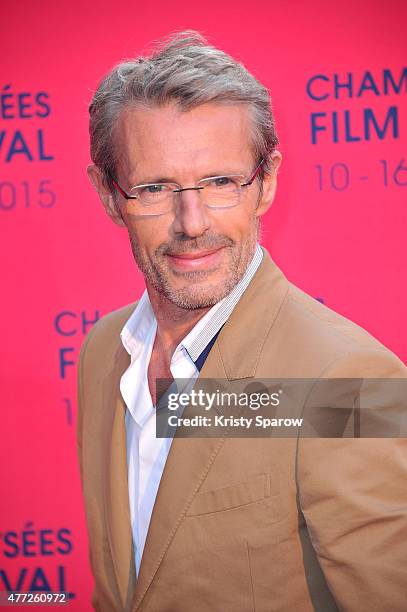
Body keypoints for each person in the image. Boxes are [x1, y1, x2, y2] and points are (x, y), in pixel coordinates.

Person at [77, 30, 407, 612]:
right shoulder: (106, 350)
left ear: (268, 181)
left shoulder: (345, 377)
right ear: (109, 195)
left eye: (221, 183)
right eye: (154, 188)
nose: (192, 222)